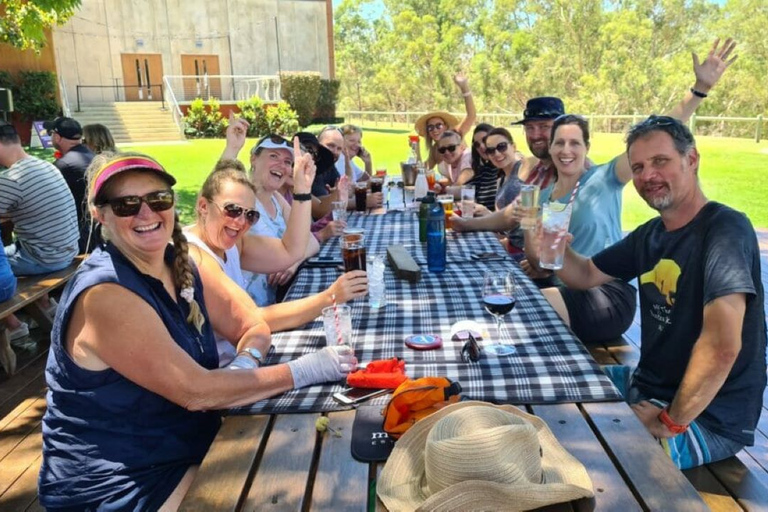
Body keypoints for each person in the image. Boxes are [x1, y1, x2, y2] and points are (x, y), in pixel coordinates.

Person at [38, 149, 357, 510]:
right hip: (122, 480)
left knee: (321, 470)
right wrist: (306, 369)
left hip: (188, 443)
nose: (146, 213)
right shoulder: (105, 294)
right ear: (101, 215)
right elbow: (196, 392)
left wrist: (245, 364)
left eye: (158, 199)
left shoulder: (181, 260)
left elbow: (250, 323)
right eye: (127, 205)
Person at [548, 115, 765, 470]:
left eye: (660, 161)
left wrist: (671, 421)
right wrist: (556, 248)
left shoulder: (724, 229)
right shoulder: (651, 233)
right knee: (549, 388)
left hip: (705, 417)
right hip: (647, 387)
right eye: (638, 167)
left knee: (592, 460)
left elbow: (723, 346)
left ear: (691, 159)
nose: (648, 175)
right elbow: (585, 274)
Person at [185, 161, 368, 364]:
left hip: (247, 351)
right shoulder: (196, 257)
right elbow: (252, 318)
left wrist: (302, 192)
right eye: (232, 210)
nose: (240, 222)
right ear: (203, 206)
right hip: (224, 371)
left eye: (250, 215)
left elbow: (291, 250)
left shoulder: (233, 243)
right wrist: (330, 297)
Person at [0, 121, 79, 341]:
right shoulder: (45, 165)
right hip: (67, 250)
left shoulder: (10, 179)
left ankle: (12, 325)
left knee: (2, 271)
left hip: (46, 258)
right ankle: (45, 304)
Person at [452, 128, 527, 255]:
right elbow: (504, 224)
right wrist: (486, 212)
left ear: (513, 146)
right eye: (491, 151)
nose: (497, 154)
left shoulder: (523, 170)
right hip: (508, 245)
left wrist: (466, 224)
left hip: (520, 251)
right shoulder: (501, 179)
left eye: (501, 147)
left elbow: (516, 221)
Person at [44, 117, 95, 253]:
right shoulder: (91, 155)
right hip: (97, 231)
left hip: (79, 239)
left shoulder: (64, 165)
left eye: (51, 134)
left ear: (58, 137)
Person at [414, 74, 476, 169]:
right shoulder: (435, 150)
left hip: (468, 182)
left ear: (446, 126)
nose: (434, 130)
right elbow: (422, 170)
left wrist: (464, 87)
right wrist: (416, 149)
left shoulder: (456, 134)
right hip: (453, 184)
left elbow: (471, 115)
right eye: (430, 127)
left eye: (438, 126)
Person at [466, 123, 500, 212]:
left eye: (484, 140)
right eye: (477, 145)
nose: (481, 146)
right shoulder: (484, 171)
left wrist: (487, 213)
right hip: (483, 223)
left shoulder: (509, 167)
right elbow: (466, 189)